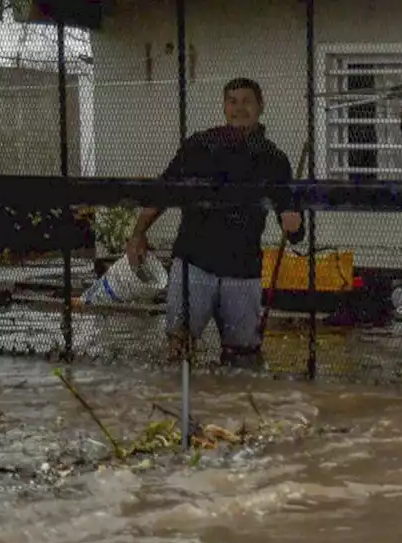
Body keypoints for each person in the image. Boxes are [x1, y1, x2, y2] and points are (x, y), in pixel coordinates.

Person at [126, 77, 304, 369]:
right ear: (224, 107)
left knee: (244, 358)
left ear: (260, 106)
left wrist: (294, 224)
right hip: (194, 263)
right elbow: (164, 191)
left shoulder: (274, 160)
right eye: (232, 101)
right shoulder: (199, 146)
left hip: (243, 270)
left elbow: (294, 225)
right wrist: (138, 234)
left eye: (246, 101)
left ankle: (235, 413)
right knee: (178, 351)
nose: (239, 108)